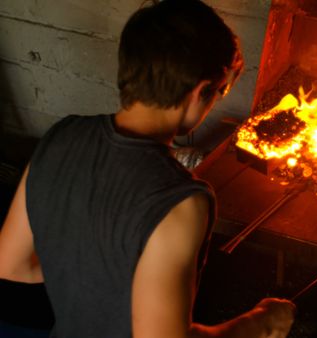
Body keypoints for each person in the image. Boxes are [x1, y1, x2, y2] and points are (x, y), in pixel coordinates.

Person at [0, 0, 295, 337]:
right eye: (221, 90)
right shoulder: (180, 201)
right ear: (201, 90)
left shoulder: (61, 134)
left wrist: (88, 273)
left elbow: (12, 265)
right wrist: (261, 322)